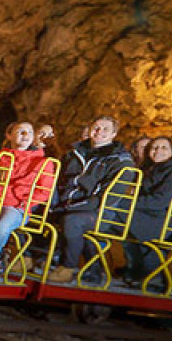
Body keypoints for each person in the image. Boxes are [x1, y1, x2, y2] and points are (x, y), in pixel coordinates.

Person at [47, 115, 136, 283]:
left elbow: (106, 197)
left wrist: (68, 207)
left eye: (105, 129)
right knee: (35, 210)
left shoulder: (120, 162)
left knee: (72, 222)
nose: (99, 132)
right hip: (69, 205)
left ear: (113, 134)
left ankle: (68, 267)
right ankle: (32, 257)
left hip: (100, 212)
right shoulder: (74, 153)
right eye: (96, 127)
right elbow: (60, 180)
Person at [0, 122, 53, 276]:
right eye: (20, 131)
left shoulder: (43, 162)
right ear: (9, 135)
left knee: (1, 228)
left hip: (17, 204)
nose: (25, 135)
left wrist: (24, 202)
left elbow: (44, 191)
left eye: (29, 132)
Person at [121, 137, 172, 289]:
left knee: (118, 213)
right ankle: (139, 270)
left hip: (163, 218)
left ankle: (150, 273)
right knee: (119, 218)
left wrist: (129, 203)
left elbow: (160, 201)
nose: (158, 151)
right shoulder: (153, 168)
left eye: (164, 148)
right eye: (154, 147)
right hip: (150, 213)